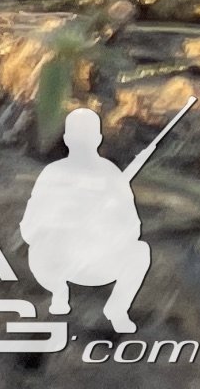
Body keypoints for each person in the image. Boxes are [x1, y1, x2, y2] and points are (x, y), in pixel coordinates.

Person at [21, 108, 150, 333]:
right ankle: (59, 293)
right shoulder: (54, 173)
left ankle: (117, 309)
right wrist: (64, 220)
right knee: (43, 247)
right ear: (67, 139)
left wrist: (107, 221)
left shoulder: (112, 175)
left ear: (98, 139)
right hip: (57, 263)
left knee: (140, 252)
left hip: (97, 261)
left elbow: (133, 228)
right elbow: (30, 228)